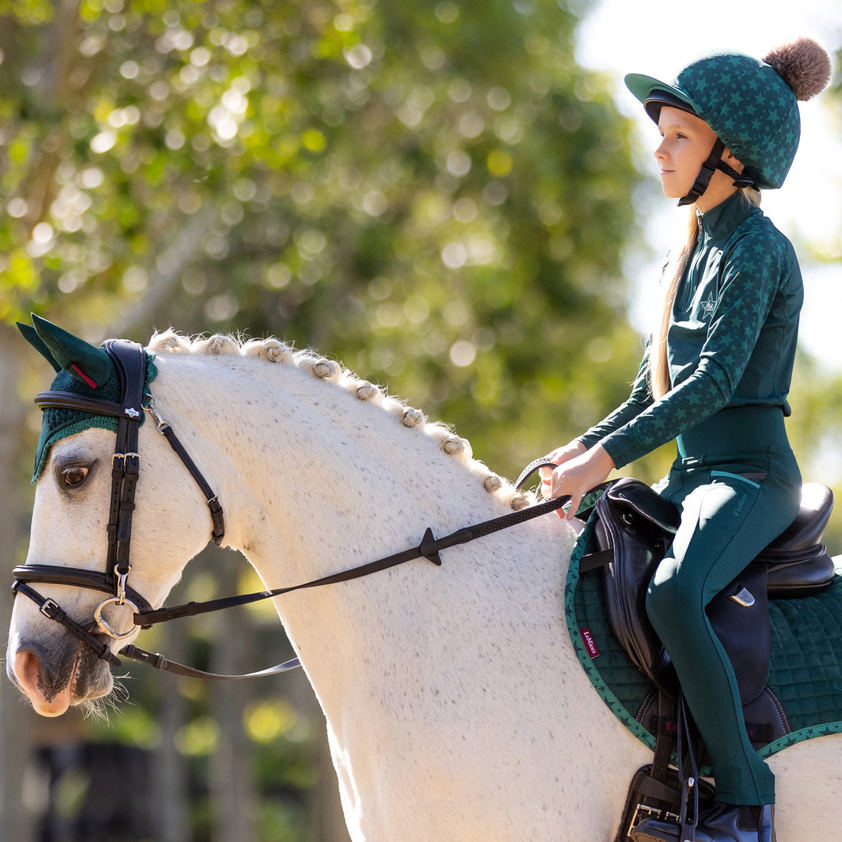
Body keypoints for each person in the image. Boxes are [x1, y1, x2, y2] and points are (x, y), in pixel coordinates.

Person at [541, 39, 831, 842]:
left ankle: (743, 800)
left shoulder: (760, 252)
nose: (658, 149)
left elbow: (710, 385)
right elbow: (651, 391)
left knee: (673, 593)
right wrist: (577, 449)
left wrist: (604, 461)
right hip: (689, 475)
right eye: (662, 133)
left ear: (730, 157)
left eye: (679, 137)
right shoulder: (687, 254)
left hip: (749, 478)